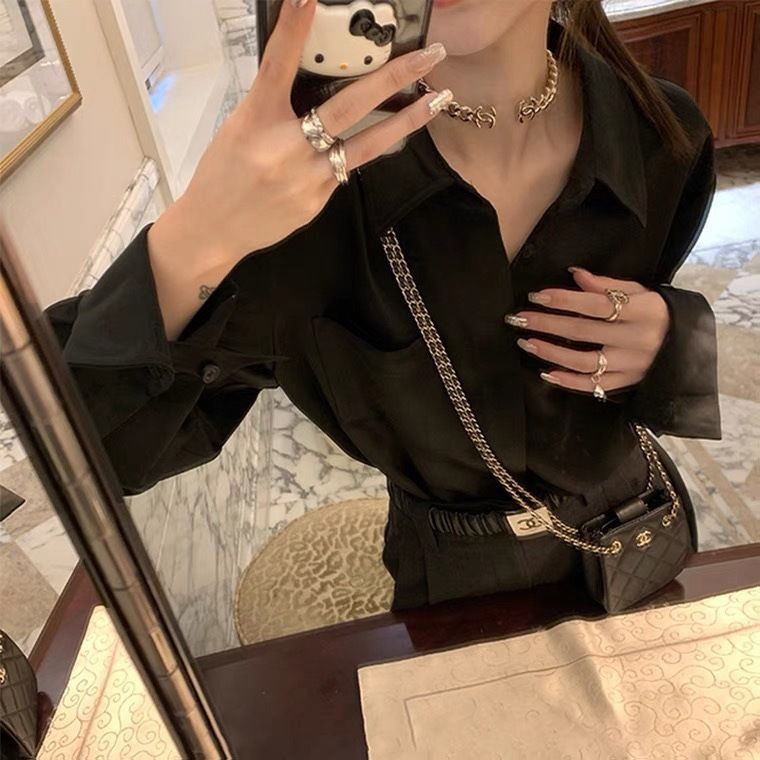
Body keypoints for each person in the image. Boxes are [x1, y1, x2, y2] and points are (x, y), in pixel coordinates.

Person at [45, 0, 721, 611]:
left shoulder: (662, 133)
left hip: (642, 529)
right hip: (456, 585)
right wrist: (194, 242)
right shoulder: (299, 213)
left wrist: (673, 337)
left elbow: (658, 303)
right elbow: (88, 450)